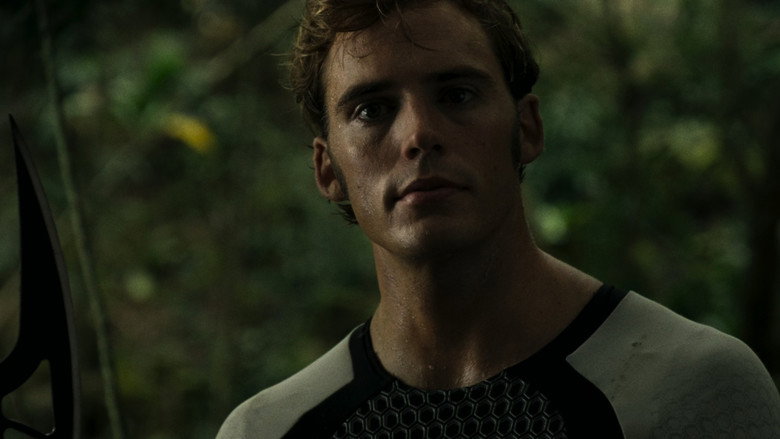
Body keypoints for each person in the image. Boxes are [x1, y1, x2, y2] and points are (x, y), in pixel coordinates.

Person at [217, 0, 780, 437]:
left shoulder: (692, 390)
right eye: (372, 109)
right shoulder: (270, 431)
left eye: (457, 95)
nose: (419, 134)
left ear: (527, 128)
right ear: (327, 170)